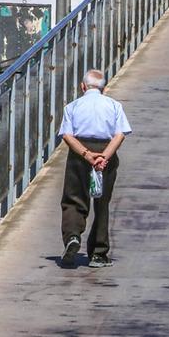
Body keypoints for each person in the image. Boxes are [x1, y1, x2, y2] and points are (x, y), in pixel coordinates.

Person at [58, 70, 132, 268]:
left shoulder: (72, 106)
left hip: (80, 152)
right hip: (105, 152)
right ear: (103, 88)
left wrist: (87, 155)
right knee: (102, 202)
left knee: (74, 199)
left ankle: (73, 236)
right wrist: (103, 157)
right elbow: (120, 135)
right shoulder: (114, 105)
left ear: (83, 87)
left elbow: (67, 135)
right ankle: (98, 253)